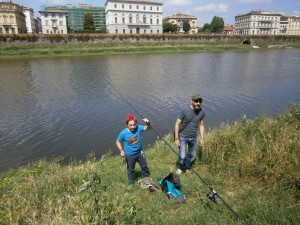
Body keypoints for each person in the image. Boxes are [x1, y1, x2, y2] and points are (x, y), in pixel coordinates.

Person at [116, 114, 151, 190]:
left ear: (136, 124)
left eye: (134, 125)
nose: (132, 127)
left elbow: (148, 128)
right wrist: (121, 150)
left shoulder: (138, 128)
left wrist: (148, 123)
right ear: (127, 124)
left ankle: (146, 179)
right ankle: (131, 183)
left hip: (140, 152)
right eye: (130, 125)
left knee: (144, 166)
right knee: (130, 170)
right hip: (129, 155)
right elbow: (118, 141)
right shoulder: (123, 133)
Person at [174, 93, 205, 175]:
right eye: (196, 101)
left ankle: (187, 167)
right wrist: (176, 139)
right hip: (183, 137)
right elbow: (177, 124)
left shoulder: (202, 112)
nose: (198, 103)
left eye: (200, 101)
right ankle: (180, 168)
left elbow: (201, 125)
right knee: (182, 156)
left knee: (192, 155)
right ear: (191, 101)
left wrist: (202, 139)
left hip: (194, 137)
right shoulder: (184, 110)